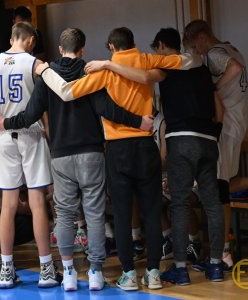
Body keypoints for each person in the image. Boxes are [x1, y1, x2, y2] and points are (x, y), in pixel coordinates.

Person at [36, 27, 202, 291]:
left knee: (123, 215)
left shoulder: (104, 71)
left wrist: (45, 71)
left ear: (111, 47)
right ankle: (153, 273)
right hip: (146, 145)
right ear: (133, 43)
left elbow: (66, 92)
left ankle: (128, 275)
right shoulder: (147, 60)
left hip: (117, 150)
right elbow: (191, 60)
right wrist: (153, 72)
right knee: (151, 211)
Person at [0, 27, 153, 291]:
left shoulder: (47, 75)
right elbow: (107, 109)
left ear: (59, 49)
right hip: (90, 152)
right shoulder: (89, 72)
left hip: (61, 155)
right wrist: (139, 121)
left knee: (65, 216)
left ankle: (67, 272)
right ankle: (95, 272)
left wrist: (5, 123)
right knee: (94, 214)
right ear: (83, 49)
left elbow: (31, 114)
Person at [0, 21, 60, 289]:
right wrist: (49, 132)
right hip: (30, 135)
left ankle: (5, 269)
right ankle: (46, 268)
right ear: (30, 40)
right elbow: (43, 105)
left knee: (8, 204)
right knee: (38, 202)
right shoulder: (34, 63)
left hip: (3, 138)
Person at [183, 19, 248, 272]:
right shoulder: (232, 47)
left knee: (219, 189)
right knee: (220, 187)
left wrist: (212, 89)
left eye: (194, 47)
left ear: (200, 39)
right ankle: (222, 250)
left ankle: (222, 253)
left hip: (227, 125)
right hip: (237, 123)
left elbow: (235, 68)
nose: (196, 53)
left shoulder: (215, 53)